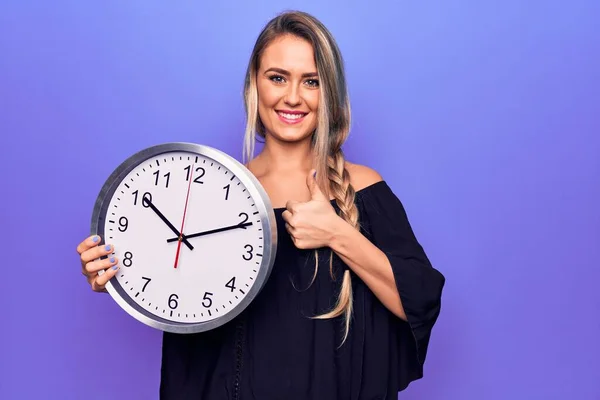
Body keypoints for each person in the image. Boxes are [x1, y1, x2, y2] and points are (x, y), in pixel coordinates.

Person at [77, 10, 445, 400]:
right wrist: (118, 276)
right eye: (278, 78)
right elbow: (179, 284)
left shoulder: (363, 187)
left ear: (330, 93)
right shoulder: (212, 192)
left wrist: (337, 233)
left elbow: (418, 301)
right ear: (255, 84)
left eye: (311, 82)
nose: (292, 97)